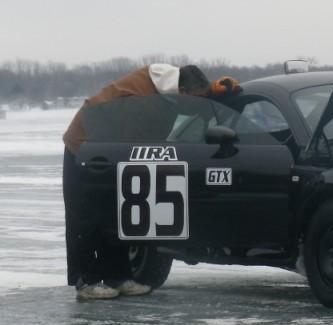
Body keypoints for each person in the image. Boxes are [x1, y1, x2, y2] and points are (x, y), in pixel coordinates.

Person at [62, 63, 223, 300]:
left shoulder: (171, 90)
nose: (196, 104)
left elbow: (201, 107)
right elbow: (131, 144)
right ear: (183, 91)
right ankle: (85, 280)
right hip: (86, 146)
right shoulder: (142, 101)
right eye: (196, 99)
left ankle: (119, 276)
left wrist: (221, 90)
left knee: (117, 213)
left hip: (113, 145)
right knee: (86, 215)